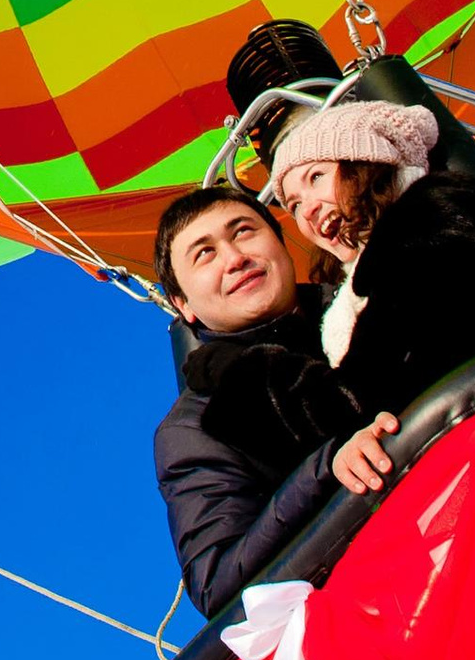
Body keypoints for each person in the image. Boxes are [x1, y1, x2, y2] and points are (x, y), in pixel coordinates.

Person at [150, 187, 397, 620]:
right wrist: (327, 468)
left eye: (243, 232)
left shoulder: (376, 301)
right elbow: (218, 584)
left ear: (281, 245)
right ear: (183, 304)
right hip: (383, 606)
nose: (234, 258)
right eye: (204, 254)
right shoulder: (194, 427)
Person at [263, 97, 475, 422]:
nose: (309, 209)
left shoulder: (432, 223)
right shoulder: (358, 289)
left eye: (316, 177)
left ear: (367, 161)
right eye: (295, 205)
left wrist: (248, 382)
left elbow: (365, 390)